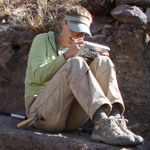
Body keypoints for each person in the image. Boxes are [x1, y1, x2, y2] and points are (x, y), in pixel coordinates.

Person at [24, 6, 143, 145]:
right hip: (41, 114)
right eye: (74, 29)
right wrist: (68, 55)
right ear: (64, 24)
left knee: (103, 61)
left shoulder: (79, 48)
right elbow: (38, 76)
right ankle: (101, 122)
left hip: (70, 119)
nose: (77, 35)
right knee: (75, 63)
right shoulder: (42, 40)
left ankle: (114, 120)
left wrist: (94, 61)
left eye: (81, 33)